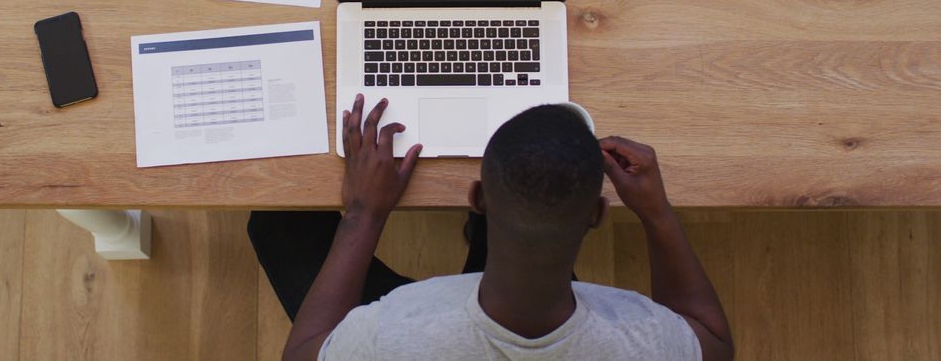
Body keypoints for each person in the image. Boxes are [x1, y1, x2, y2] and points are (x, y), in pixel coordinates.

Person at [248, 94, 734, 360]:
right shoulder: (645, 345)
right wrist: (657, 212)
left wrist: (364, 213)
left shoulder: (386, 340)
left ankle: (483, 233)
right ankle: (480, 238)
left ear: (477, 197)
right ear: (597, 216)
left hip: (437, 323)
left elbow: (305, 354)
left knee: (273, 225)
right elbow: (713, 340)